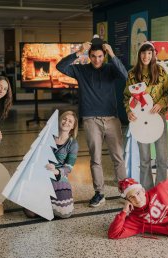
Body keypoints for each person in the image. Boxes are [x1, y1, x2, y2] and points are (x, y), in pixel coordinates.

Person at [56, 35, 127, 207]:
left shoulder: (111, 69)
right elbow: (60, 66)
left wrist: (113, 55)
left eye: (100, 56)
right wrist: (78, 52)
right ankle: (99, 193)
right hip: (90, 120)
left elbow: (125, 75)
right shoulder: (81, 70)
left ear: (104, 56)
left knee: (118, 157)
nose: (96, 60)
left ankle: (125, 190)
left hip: (111, 119)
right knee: (95, 158)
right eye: (93, 56)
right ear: (89, 56)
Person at [123, 41, 168, 190]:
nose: (146, 56)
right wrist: (129, 111)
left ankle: (161, 189)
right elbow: (126, 97)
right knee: (144, 158)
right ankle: (147, 190)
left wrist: (161, 103)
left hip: (158, 118)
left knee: (162, 158)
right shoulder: (132, 74)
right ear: (139, 54)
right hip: (140, 121)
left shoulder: (161, 72)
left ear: (153, 54)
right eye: (143, 53)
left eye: (149, 53)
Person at [24, 110, 79, 219]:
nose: (66, 122)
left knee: (64, 214)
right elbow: (36, 154)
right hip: (42, 173)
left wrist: (57, 171)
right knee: (30, 213)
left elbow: (69, 167)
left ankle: (47, 205)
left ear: (73, 127)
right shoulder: (48, 136)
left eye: (70, 121)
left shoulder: (73, 143)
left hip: (59, 176)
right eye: (64, 119)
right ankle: (43, 203)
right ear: (59, 120)